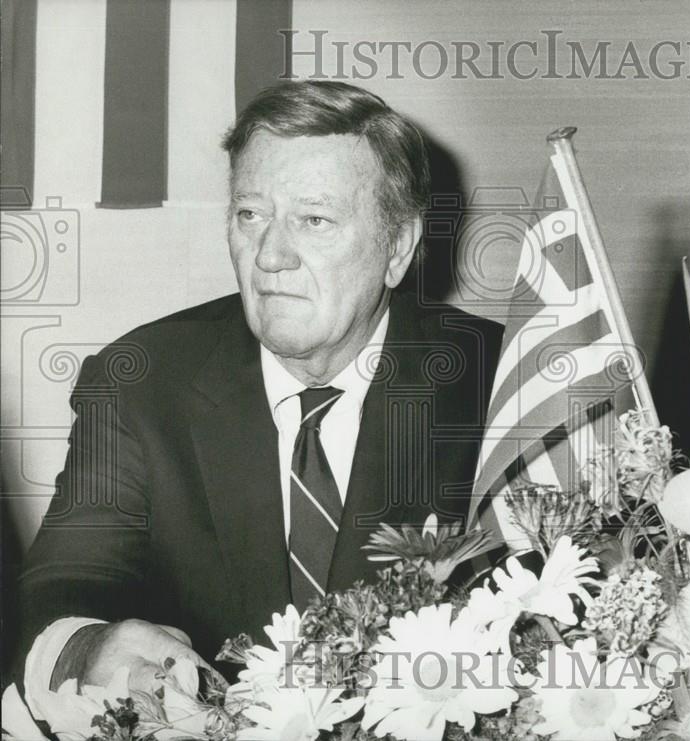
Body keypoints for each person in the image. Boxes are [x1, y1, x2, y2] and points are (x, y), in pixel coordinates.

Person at [14, 82, 502, 700]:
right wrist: (89, 647)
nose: (270, 255)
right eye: (251, 214)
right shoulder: (140, 378)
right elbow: (66, 580)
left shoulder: (496, 383)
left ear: (398, 246)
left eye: (315, 220)